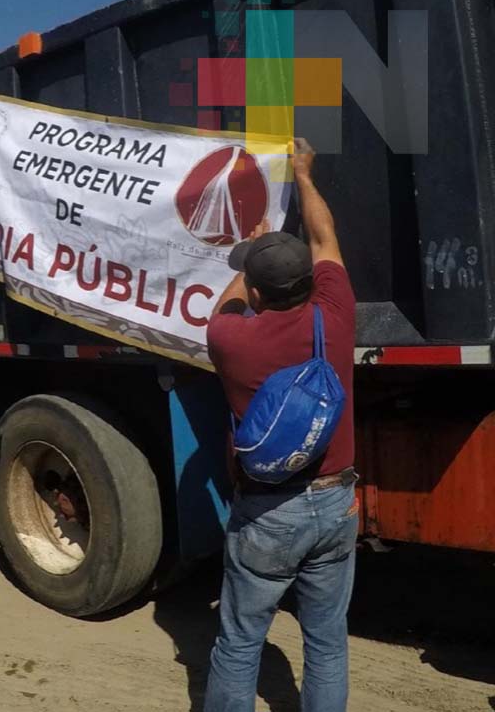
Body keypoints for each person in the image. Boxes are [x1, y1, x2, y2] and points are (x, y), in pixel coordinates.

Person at [202, 138, 357, 712]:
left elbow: (225, 306)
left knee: (240, 641)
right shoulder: (334, 319)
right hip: (336, 501)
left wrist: (251, 250)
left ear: (259, 291)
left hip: (268, 511)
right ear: (310, 284)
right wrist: (304, 175)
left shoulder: (229, 339)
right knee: (327, 643)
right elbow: (324, 238)